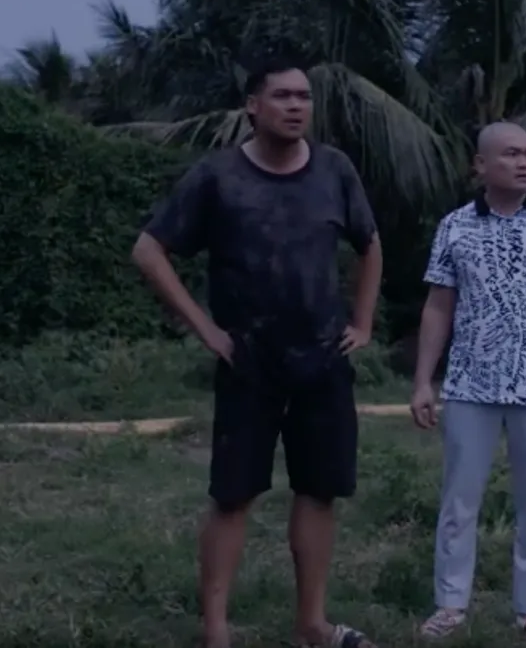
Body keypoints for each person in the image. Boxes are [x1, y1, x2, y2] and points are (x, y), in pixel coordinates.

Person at [131, 58, 384, 648]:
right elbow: (148, 250)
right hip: (248, 362)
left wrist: (363, 323)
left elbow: (370, 244)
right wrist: (207, 330)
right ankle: (216, 632)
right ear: (253, 106)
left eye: (304, 97)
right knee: (233, 495)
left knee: (319, 490)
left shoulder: (334, 169)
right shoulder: (218, 176)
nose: (297, 106)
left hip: (322, 359)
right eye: (283, 96)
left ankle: (311, 625)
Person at [409, 122, 526, 644]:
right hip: (469, 385)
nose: (524, 163)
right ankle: (450, 604)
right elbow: (438, 305)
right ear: (481, 165)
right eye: (511, 154)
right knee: (459, 501)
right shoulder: (455, 227)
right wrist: (423, 380)